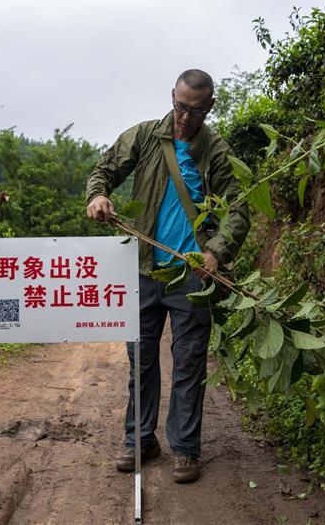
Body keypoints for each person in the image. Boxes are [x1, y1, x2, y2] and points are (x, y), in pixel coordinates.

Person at [85, 69, 250, 483]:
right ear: (171, 97)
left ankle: (185, 448)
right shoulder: (144, 137)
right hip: (143, 268)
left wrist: (215, 252)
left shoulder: (216, 150)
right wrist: (98, 195)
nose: (184, 117)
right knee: (139, 359)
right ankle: (140, 439)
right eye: (179, 106)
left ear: (208, 107)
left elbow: (239, 209)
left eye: (194, 110)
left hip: (192, 275)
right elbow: (102, 172)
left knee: (189, 362)